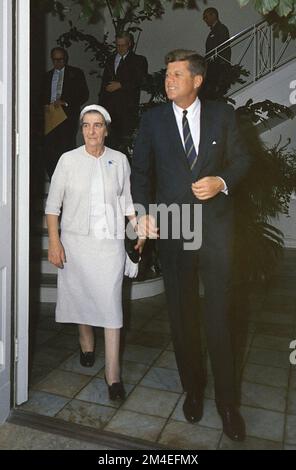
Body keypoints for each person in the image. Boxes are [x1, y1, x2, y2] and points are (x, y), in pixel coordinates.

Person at [131, 50, 252, 441]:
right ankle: (194, 391)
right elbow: (140, 173)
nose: (168, 81)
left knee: (220, 315)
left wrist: (221, 182)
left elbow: (243, 161)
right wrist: (142, 214)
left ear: (196, 80)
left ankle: (228, 403)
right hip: (173, 229)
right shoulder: (152, 120)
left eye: (177, 74)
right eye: (167, 74)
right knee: (182, 315)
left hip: (216, 230)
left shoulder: (222, 114)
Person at [45, 104, 136, 400]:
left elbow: (128, 203)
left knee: (111, 305)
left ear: (106, 129)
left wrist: (137, 237)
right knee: (81, 295)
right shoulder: (68, 160)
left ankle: (113, 374)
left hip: (109, 245)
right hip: (76, 244)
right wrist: (55, 243)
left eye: (97, 125)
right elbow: (52, 206)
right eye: (86, 125)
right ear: (81, 129)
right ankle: (86, 341)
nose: (91, 131)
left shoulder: (119, 160)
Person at [43, 47, 89, 178]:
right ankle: (53, 178)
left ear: (65, 58)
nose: (58, 62)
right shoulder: (47, 76)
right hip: (50, 116)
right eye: (55, 60)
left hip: (67, 116)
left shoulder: (76, 73)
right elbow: (40, 95)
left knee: (66, 147)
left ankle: (68, 178)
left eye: (61, 59)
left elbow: (83, 94)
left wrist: (66, 102)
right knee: (49, 149)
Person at [99, 32, 148, 149]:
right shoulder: (110, 60)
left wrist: (121, 85)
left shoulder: (138, 60)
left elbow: (140, 80)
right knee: (108, 143)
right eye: (117, 45)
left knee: (124, 144)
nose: (120, 48)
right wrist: (100, 107)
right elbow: (104, 85)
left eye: (123, 45)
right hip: (109, 108)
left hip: (127, 109)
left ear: (130, 44)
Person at [203, 8, 231, 98]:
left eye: (206, 17)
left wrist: (223, 64)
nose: (205, 20)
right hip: (213, 66)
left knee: (216, 91)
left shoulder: (221, 28)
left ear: (213, 15)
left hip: (218, 66)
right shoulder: (213, 31)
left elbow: (224, 48)